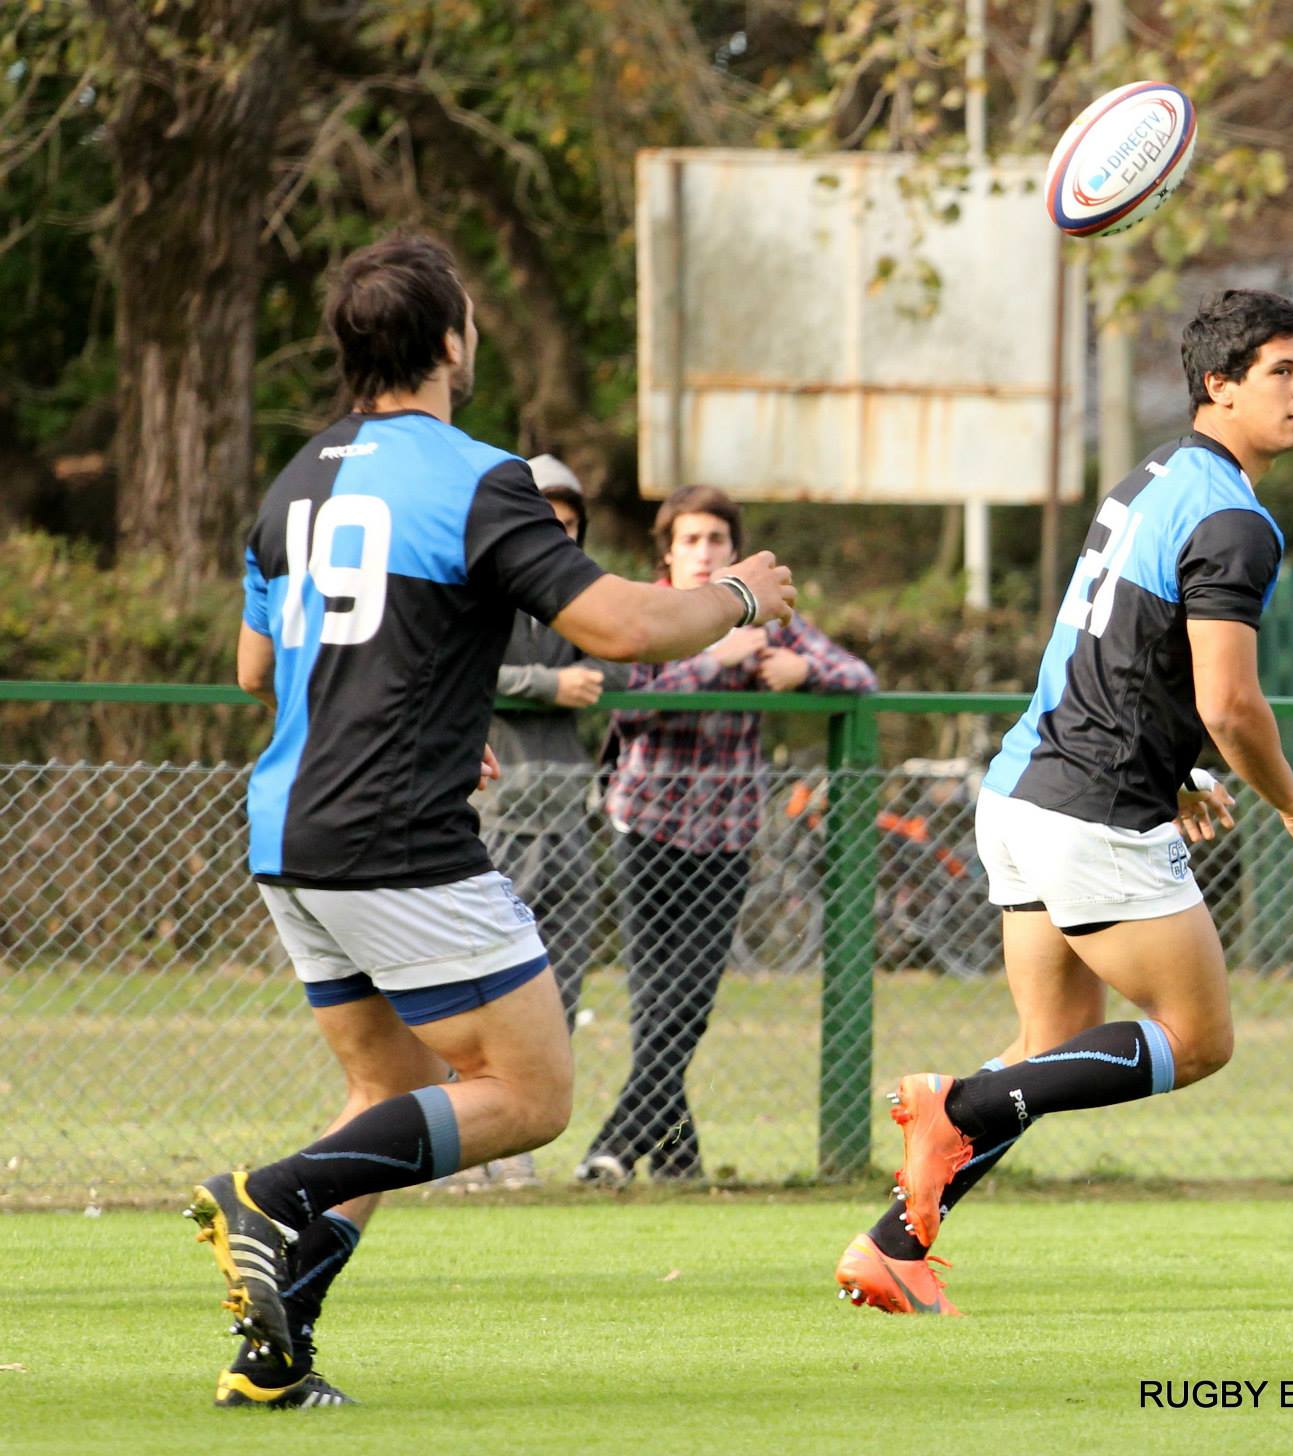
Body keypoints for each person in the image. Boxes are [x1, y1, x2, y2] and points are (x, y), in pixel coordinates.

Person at [198, 232, 795, 1408]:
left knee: (391, 1096)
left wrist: (421, 706)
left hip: (291, 832)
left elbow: (255, 669)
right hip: (393, 836)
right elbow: (619, 626)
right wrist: (736, 595)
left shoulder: (295, 479)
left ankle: (273, 1357)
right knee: (530, 1094)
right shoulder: (478, 477)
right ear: (448, 341)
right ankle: (269, 1192)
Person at [833, 288, 1293, 1315]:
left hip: (1023, 791)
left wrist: (1176, 770)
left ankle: (890, 1246)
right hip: (1092, 811)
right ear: (1217, 384)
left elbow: (1117, 653)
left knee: (1050, 1042)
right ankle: (953, 1104)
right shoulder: (1236, 519)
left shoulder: (1151, 480)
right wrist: (1292, 806)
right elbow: (1229, 700)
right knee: (1194, 1040)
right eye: (1281, 371)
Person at [575, 486, 876, 1188]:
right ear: (668, 553)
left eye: (716, 540)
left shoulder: (766, 615)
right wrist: (714, 660)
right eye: (691, 541)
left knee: (687, 1007)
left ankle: (627, 1150)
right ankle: (664, 1157)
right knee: (659, 1009)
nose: (704, 553)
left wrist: (805, 672)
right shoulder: (645, 610)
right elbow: (630, 703)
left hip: (728, 836)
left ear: (734, 550)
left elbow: (861, 677)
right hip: (646, 825)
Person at [449, 455, 630, 1193]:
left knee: (562, 983)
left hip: (567, 817)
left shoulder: (581, 595)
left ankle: (517, 1144)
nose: (554, 536)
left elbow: (622, 661)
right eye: (542, 522)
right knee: (477, 983)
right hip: (494, 815)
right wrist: (546, 684)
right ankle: (462, 1148)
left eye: (567, 525)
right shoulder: (473, 588)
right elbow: (457, 668)